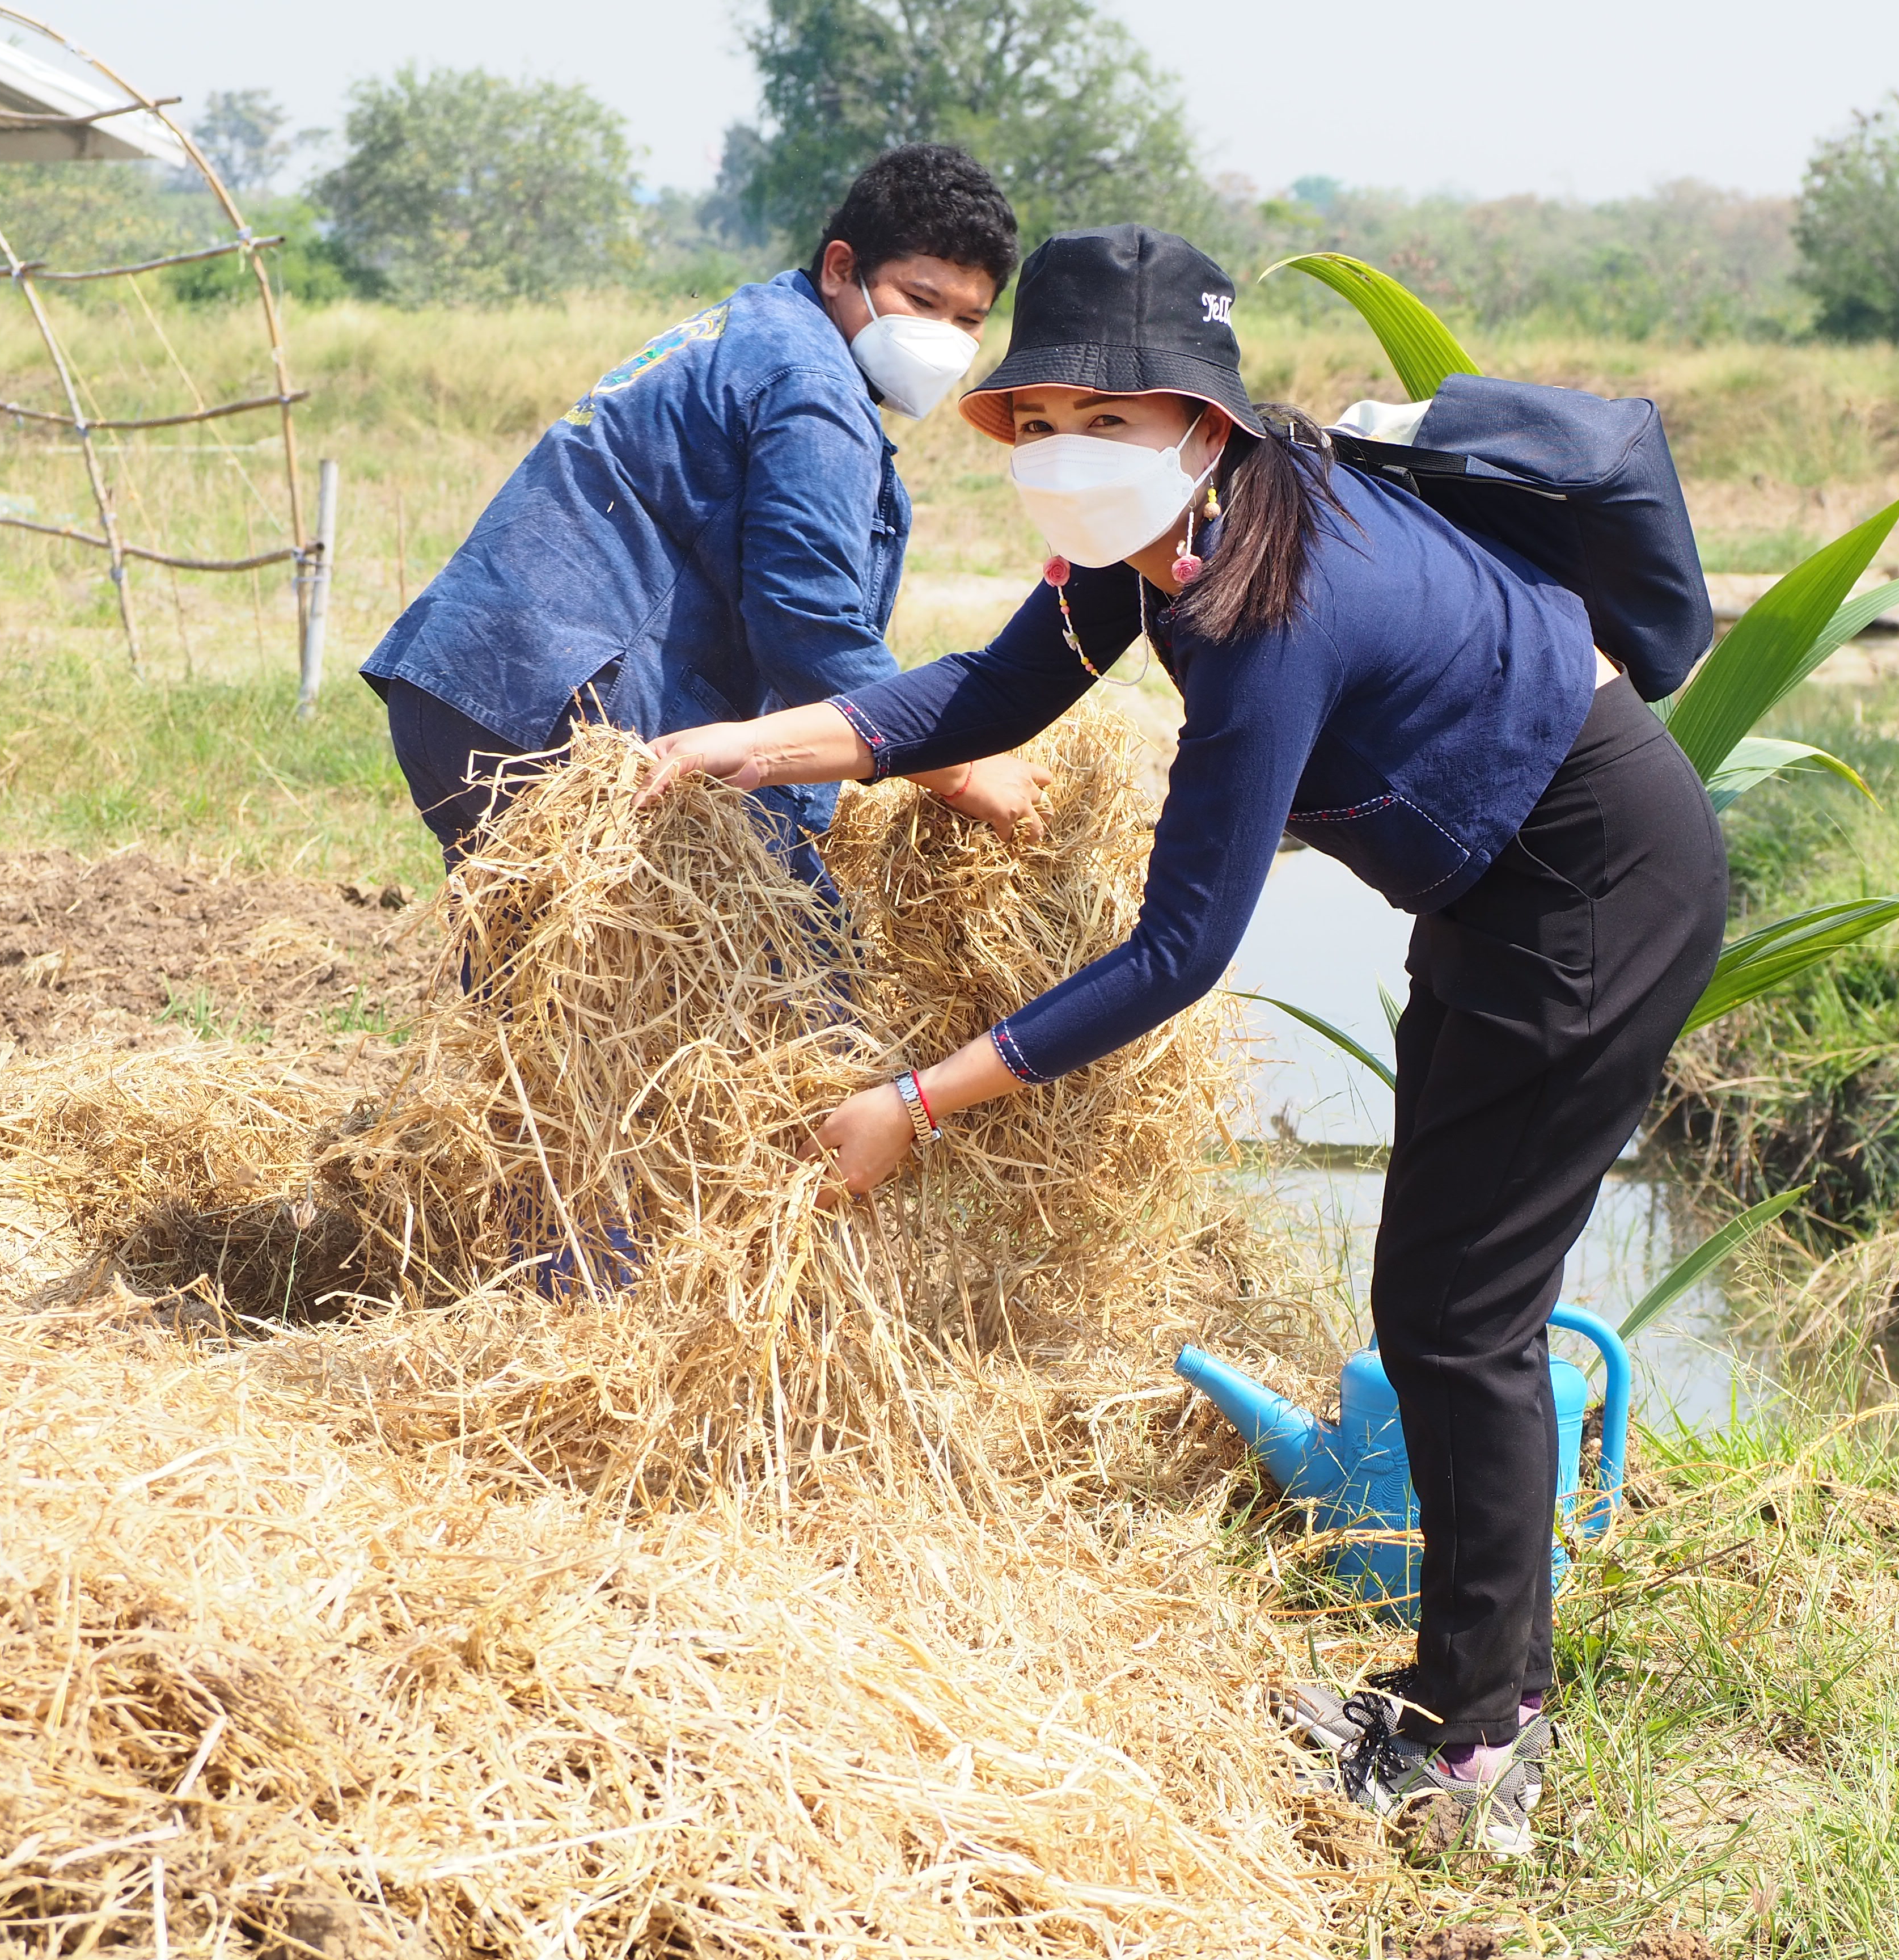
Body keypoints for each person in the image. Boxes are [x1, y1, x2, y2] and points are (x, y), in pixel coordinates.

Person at [644, 225, 1729, 1853]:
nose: (1073, 452)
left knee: (1459, 1315)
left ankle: (1483, 1750)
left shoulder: (1272, 604)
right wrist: (749, 743)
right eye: (1048, 419)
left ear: (1202, 428)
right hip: (1506, 887)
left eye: (1118, 418)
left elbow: (1178, 952)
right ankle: (1462, 1696)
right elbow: (984, 703)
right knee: (1439, 1303)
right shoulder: (1142, 554)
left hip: (1596, 885)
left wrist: (915, 1101)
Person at [358, 143, 1052, 878]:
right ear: (842, 268)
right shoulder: (813, 385)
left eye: (969, 319)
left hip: (462, 691)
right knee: (795, 978)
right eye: (921, 301)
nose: (943, 339)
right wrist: (960, 767)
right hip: (562, 718)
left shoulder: (749, 325)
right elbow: (807, 624)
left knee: (561, 988)